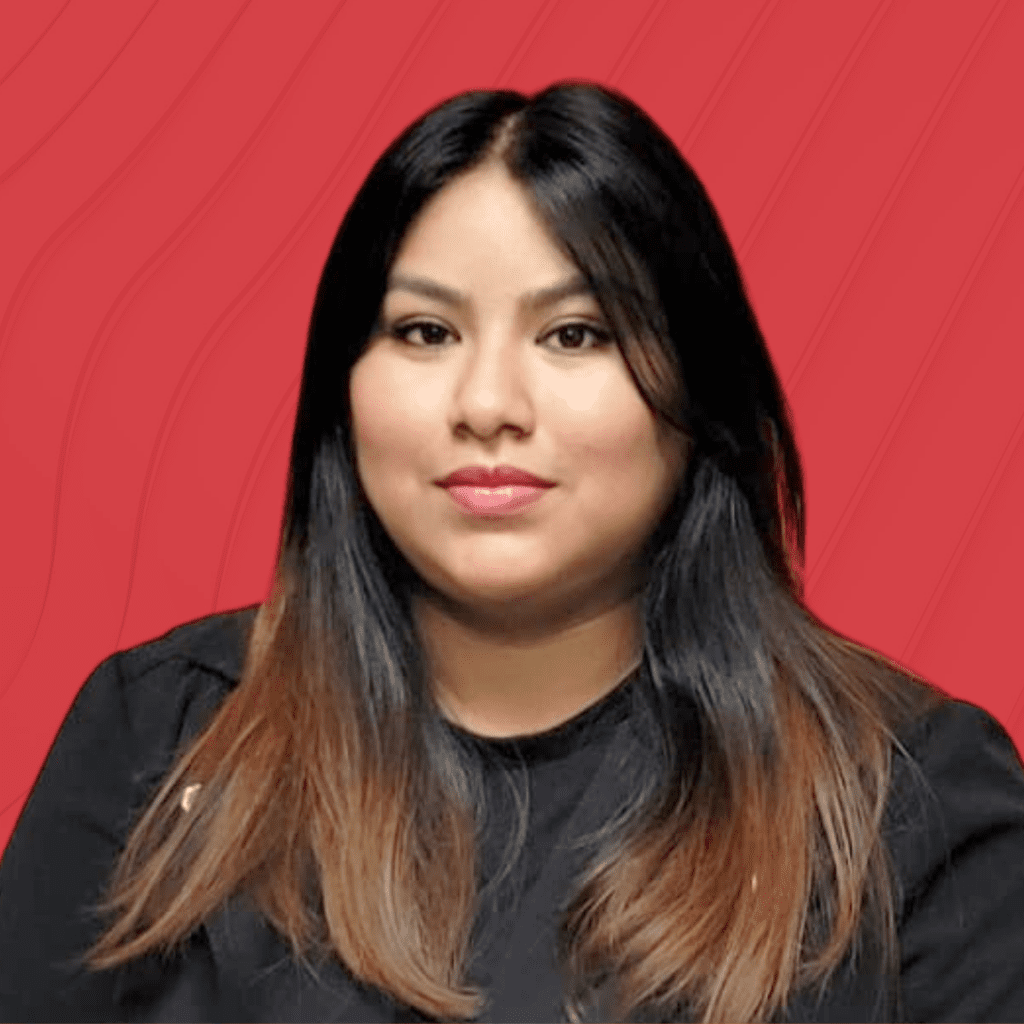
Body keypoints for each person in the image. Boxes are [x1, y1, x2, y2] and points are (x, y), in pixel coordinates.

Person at [1, 82, 1023, 1024]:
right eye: (424, 331)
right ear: (342, 390)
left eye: (575, 334)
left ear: (697, 389)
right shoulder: (164, 736)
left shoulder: (905, 798)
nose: (487, 404)